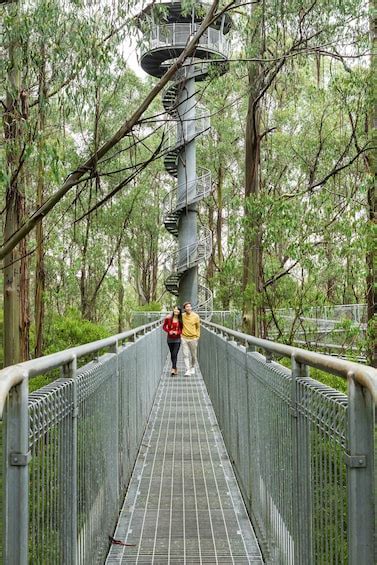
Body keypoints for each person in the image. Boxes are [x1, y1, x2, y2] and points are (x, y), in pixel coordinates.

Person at [181, 302, 200, 377]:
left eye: (189, 306)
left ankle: (192, 367)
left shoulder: (196, 316)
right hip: (184, 338)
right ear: (184, 309)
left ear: (191, 307)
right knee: (185, 355)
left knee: (193, 355)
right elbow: (175, 318)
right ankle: (187, 370)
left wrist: (197, 336)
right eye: (187, 307)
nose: (188, 308)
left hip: (193, 338)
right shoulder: (182, 316)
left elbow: (198, 327)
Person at [162, 306, 183, 375]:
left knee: (174, 353)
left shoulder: (181, 320)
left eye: (178, 310)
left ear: (179, 312)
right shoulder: (169, 319)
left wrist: (178, 332)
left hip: (177, 339)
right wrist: (169, 331)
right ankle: (175, 368)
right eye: (175, 309)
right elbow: (164, 327)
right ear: (173, 310)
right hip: (170, 339)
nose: (176, 311)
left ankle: (173, 368)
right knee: (172, 354)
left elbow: (182, 329)